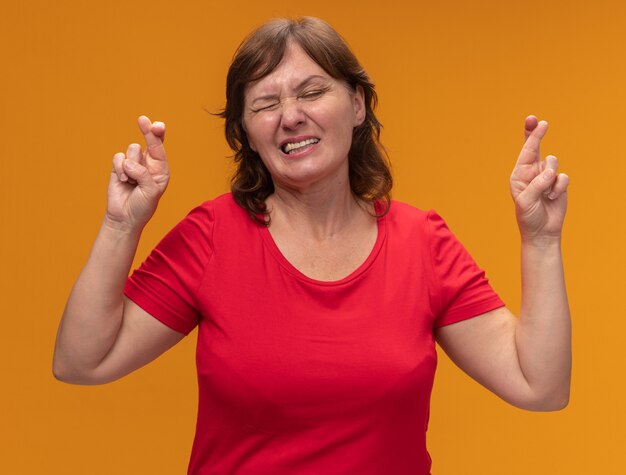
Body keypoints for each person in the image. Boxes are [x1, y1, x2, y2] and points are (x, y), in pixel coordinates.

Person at [53, 17, 571, 475]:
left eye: (310, 92)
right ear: (246, 134)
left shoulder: (422, 243)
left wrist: (541, 240)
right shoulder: (211, 236)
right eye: (265, 103)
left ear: (357, 105)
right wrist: (121, 227)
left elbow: (539, 386)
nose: (290, 116)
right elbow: (82, 362)